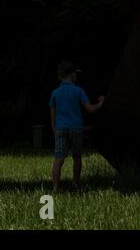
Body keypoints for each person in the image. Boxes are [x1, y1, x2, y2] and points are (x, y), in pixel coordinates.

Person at [49, 61, 104, 190]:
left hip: (61, 129)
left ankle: (56, 186)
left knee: (58, 158)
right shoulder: (78, 91)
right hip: (76, 128)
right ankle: (75, 183)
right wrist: (101, 103)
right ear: (72, 75)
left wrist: (54, 131)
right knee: (77, 157)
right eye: (75, 73)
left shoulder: (55, 93)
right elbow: (90, 109)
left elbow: (52, 116)